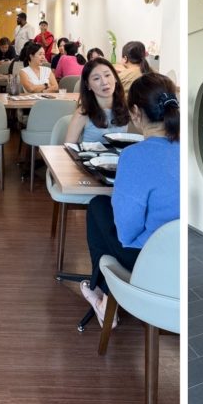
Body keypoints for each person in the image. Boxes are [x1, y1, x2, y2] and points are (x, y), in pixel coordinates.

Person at [81, 73, 180, 325]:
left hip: (151, 261)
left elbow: (126, 234)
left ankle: (104, 296)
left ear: (135, 112)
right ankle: (103, 296)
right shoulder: (185, 148)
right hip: (184, 260)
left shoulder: (135, 156)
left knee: (97, 206)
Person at [65, 57, 129, 144]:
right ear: (88, 85)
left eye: (107, 75)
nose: (104, 82)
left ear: (115, 77)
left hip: (119, 157)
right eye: (96, 78)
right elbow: (69, 148)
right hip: (90, 157)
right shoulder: (82, 114)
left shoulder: (126, 107)